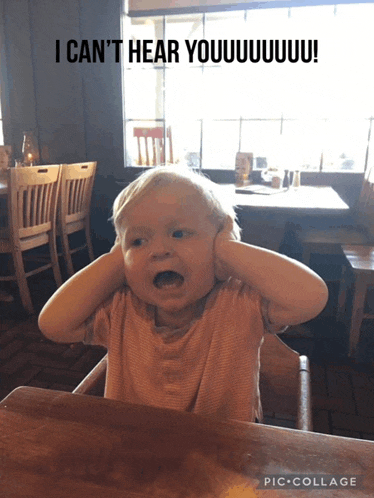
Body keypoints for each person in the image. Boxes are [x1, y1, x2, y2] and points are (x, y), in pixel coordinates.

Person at [39, 166, 328, 423]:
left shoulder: (242, 302)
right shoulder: (122, 308)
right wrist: (117, 262)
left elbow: (311, 297)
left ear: (218, 249)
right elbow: (53, 324)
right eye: (138, 241)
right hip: (133, 453)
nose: (159, 250)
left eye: (179, 234)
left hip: (224, 455)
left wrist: (228, 250)